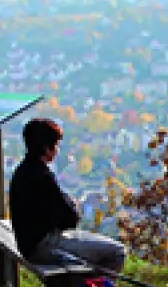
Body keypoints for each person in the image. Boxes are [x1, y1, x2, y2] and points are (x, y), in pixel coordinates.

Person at [9, 117, 127, 273]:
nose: (58, 150)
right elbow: (70, 218)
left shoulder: (22, 171)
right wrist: (71, 205)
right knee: (117, 252)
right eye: (56, 145)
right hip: (44, 245)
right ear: (46, 148)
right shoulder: (42, 176)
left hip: (27, 243)